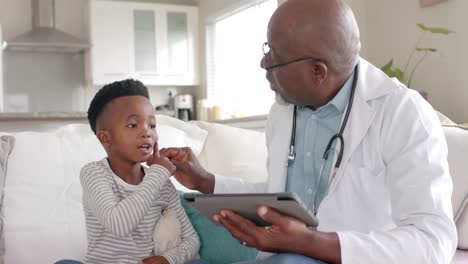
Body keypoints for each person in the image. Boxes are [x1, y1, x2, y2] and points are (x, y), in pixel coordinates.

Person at [160, 0, 458, 263]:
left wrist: (310, 242)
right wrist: (208, 182)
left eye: (274, 57)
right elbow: (283, 196)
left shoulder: (403, 113)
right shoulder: (285, 108)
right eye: (267, 50)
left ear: (318, 71)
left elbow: (434, 243)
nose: (263, 63)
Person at [59, 79, 203, 264]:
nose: (147, 133)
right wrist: (158, 173)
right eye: (133, 125)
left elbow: (191, 239)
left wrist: (168, 259)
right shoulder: (94, 174)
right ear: (105, 137)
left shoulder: (161, 183)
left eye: (151, 125)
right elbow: (119, 225)